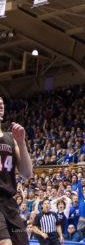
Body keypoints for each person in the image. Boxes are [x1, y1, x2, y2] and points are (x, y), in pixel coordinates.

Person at [0, 97, 33, 245]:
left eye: (1, 102)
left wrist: (21, 142)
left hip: (9, 203)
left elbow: (26, 174)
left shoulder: (10, 138)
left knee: (22, 240)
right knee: (5, 242)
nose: (1, 103)